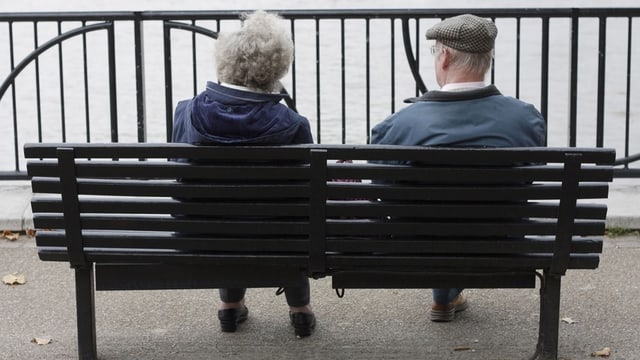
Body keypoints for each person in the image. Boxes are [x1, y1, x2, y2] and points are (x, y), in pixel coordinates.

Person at [370, 14, 547, 322]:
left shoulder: (397, 126)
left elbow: (381, 189)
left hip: (415, 248)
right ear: (487, 59)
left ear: (446, 56)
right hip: (503, 246)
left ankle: (443, 295)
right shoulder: (526, 120)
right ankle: (446, 294)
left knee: (435, 213)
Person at [171, 10, 315, 338]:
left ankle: (229, 307)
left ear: (224, 61)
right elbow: (302, 193)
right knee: (285, 222)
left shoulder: (186, 111)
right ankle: (300, 310)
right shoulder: (293, 125)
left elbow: (181, 177)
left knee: (226, 214)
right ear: (278, 65)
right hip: (278, 238)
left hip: (201, 235)